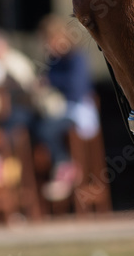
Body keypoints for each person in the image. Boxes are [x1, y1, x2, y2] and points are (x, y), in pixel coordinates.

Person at [34, 14, 100, 201]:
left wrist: (50, 82)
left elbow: (76, 89)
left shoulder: (76, 58)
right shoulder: (52, 62)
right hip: (60, 110)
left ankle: (65, 166)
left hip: (79, 111)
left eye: (51, 40)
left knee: (47, 128)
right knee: (33, 124)